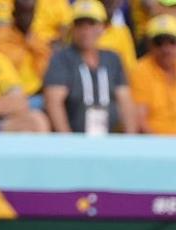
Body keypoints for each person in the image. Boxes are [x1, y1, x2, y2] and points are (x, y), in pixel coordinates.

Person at [43, 0, 135, 134]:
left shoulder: (112, 59)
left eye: (91, 24)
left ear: (103, 27)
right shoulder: (61, 59)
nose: (86, 30)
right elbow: (54, 103)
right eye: (80, 25)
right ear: (72, 28)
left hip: (109, 136)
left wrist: (129, 140)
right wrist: (67, 141)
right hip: (75, 137)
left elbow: (125, 101)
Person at [130, 15, 176, 135]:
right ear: (149, 45)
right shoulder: (139, 71)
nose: (166, 49)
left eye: (172, 42)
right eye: (159, 43)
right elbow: (140, 120)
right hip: (149, 145)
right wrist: (162, 149)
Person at [0, 0, 51, 96]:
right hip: (13, 94)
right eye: (23, 13)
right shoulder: (3, 36)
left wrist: (31, 43)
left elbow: (45, 65)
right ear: (14, 14)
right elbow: (6, 64)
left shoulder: (37, 37)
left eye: (30, 13)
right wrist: (25, 43)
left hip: (39, 91)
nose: (26, 18)